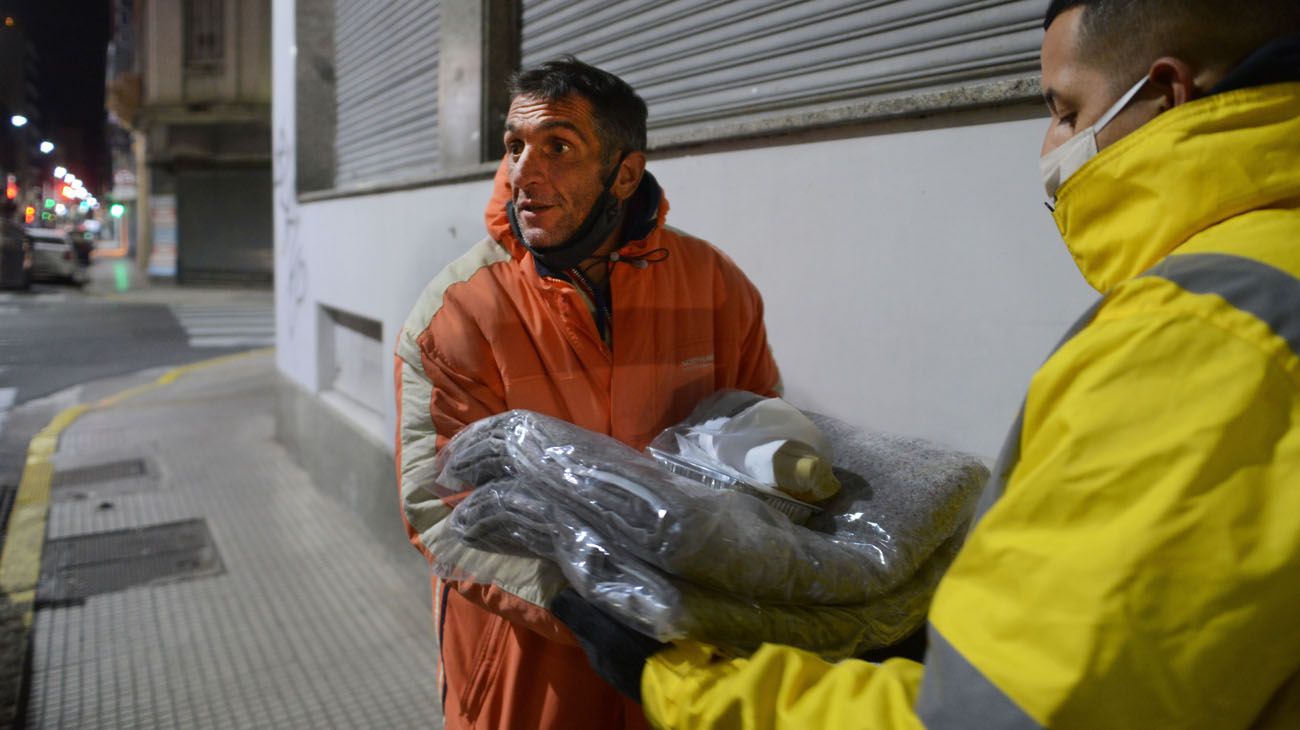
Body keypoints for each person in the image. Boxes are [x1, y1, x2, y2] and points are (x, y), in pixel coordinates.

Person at [551, 1, 1300, 727]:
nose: (1050, 145)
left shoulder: (1198, 333)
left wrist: (691, 684)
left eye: (1066, 110)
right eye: (518, 147)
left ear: (1167, 92)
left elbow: (1002, 715)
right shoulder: (1256, 288)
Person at [393, 57, 781, 730]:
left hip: (686, 661)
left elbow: (756, 453)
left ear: (624, 174)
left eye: (559, 148)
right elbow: (438, 506)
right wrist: (577, 604)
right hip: (526, 673)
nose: (524, 172)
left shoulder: (716, 286)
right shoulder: (455, 315)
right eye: (515, 147)